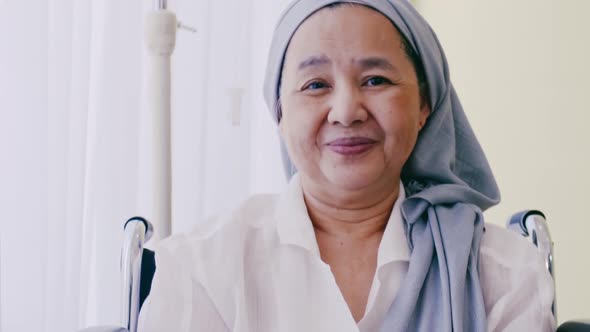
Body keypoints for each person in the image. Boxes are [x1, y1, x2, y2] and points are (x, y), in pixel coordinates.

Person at [138, 1, 555, 331]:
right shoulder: (204, 269)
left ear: (425, 104)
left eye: (376, 80)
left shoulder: (499, 273)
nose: (346, 111)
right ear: (280, 113)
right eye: (315, 85)